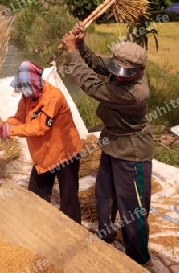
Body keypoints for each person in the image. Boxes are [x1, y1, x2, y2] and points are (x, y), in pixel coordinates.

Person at [61, 23, 154, 267]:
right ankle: (106, 234)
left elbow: (92, 86)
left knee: (132, 207)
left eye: (126, 72)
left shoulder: (136, 93)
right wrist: (80, 45)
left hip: (131, 151)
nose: (119, 75)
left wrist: (71, 53)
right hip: (111, 142)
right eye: (118, 69)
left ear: (140, 70)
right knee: (104, 193)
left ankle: (138, 257)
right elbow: (98, 64)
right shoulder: (123, 72)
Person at [0, 60, 83, 223]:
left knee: (69, 198)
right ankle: (40, 226)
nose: (24, 92)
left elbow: (38, 128)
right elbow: (19, 118)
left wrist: (10, 131)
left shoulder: (52, 97)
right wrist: (3, 125)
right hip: (44, 155)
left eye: (26, 88)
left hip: (65, 154)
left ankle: (73, 233)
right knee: (36, 194)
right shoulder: (28, 97)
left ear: (35, 83)